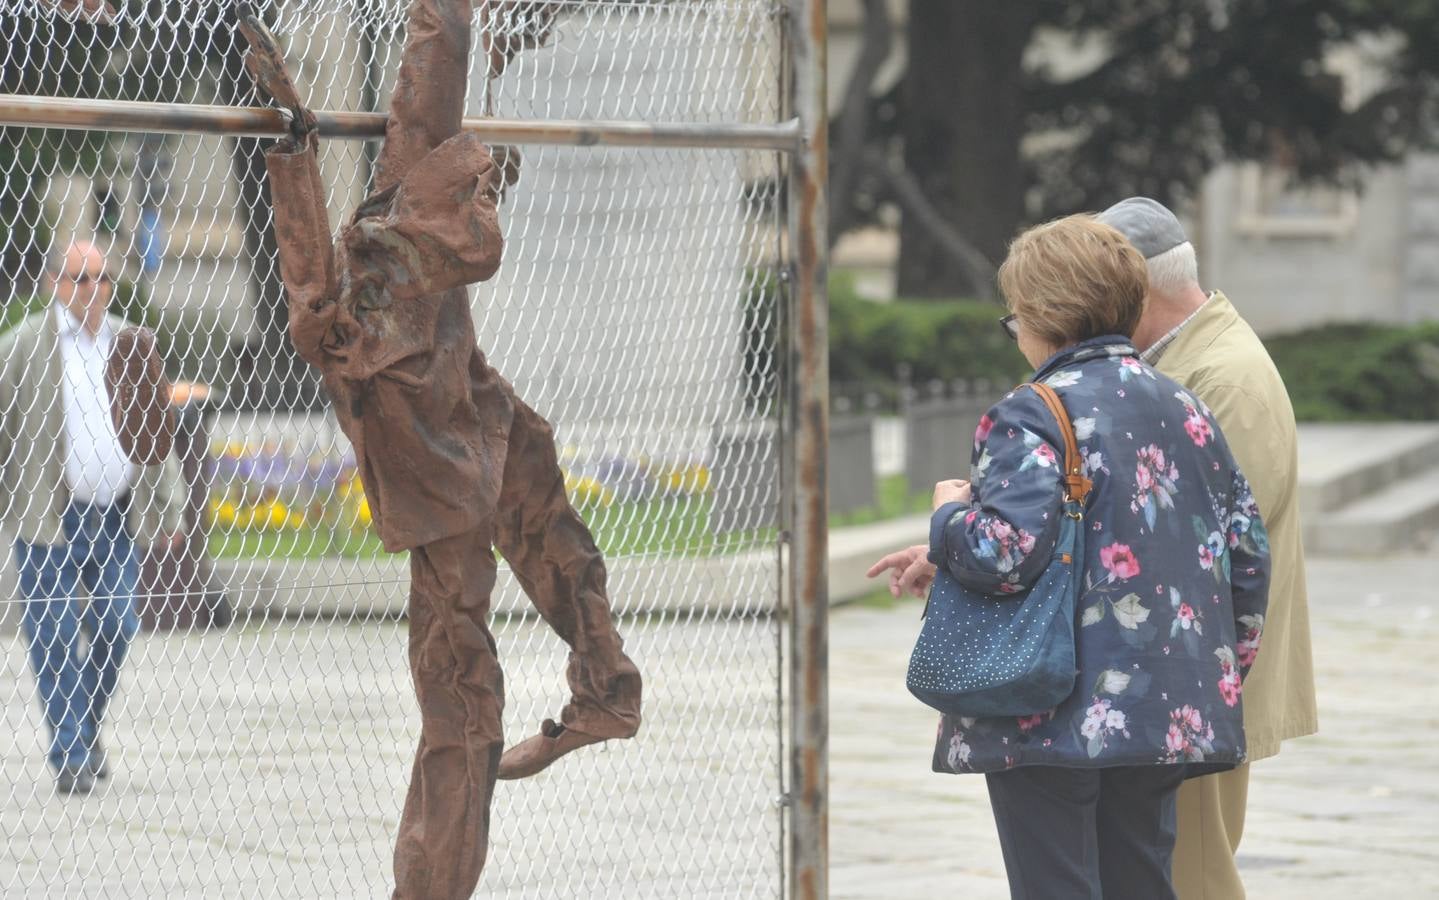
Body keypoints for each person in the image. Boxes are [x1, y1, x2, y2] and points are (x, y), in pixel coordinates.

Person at [237, 2, 641, 896]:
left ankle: (608, 692)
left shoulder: (409, 240)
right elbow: (308, 272)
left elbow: (431, 91)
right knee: (463, 707)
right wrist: (290, 140)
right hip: (446, 487)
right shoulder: (365, 315)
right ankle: (441, 876)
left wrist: (295, 133)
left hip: (484, 426)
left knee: (562, 554)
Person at [870, 215, 1270, 899]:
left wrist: (948, 515)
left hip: (1049, 707)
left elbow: (1005, 553)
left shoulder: (1028, 413)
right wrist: (1214, 668)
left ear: (1039, 317)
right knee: (1141, 880)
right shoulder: (1186, 407)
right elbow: (1246, 558)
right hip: (1165, 707)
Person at [1097, 196, 1318, 900]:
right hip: (1186, 679)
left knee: (1189, 876)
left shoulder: (1218, 377)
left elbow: (1210, 559)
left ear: (1133, 287)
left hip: (1195, 682)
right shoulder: (1189, 359)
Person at [0, 240, 181, 795]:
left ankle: (85, 725)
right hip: (48, 516)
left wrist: (167, 506)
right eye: (80, 278)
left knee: (117, 625)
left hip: (116, 515)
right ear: (54, 281)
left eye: (102, 279)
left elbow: (157, 422)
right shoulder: (23, 345)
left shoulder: (129, 342)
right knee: (52, 635)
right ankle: (71, 752)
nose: (93, 290)